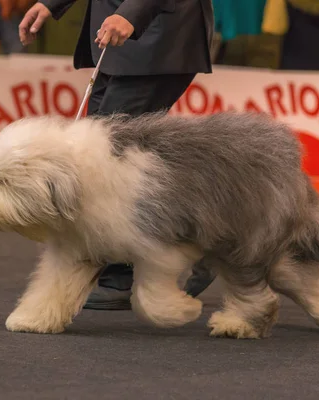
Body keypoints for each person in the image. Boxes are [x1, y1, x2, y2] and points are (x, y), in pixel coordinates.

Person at [18, 0, 217, 310]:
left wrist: (130, 13)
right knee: (110, 162)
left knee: (112, 162)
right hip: (118, 43)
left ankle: (203, 246)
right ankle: (122, 271)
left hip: (154, 38)